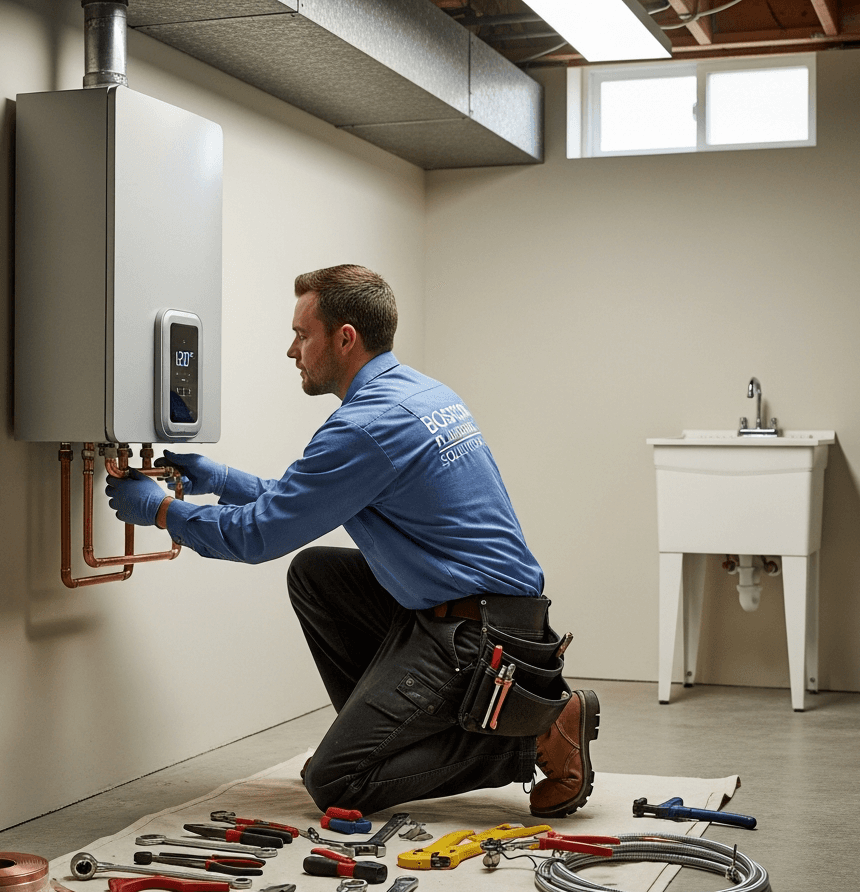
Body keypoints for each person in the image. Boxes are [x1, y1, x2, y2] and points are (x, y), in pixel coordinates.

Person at [106, 265, 599, 817]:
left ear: (345, 337)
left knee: (338, 783)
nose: (292, 350)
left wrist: (164, 513)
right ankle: (389, 734)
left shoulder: (366, 426)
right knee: (317, 573)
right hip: (493, 614)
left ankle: (531, 736)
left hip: (477, 638)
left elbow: (258, 535)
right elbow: (303, 500)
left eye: (301, 334)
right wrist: (220, 480)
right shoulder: (420, 393)